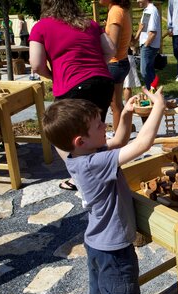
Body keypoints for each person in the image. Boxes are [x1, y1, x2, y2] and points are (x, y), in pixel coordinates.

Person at [41, 87, 166, 294]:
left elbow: (119, 141)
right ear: (81, 141)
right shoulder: (93, 163)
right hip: (114, 250)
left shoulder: (81, 156)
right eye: (99, 125)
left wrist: (125, 114)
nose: (105, 126)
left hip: (97, 244)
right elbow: (143, 144)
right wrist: (159, 107)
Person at [29, 0, 115, 191]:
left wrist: (53, 75)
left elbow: (35, 63)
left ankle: (80, 177)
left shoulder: (41, 27)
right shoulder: (90, 24)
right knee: (94, 130)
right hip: (103, 82)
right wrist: (93, 67)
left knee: (60, 132)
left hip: (72, 85)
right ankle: (102, 170)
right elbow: (111, 50)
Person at [99, 0, 132, 132]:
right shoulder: (120, 10)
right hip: (120, 62)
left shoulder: (115, 12)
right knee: (116, 103)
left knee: (114, 105)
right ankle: (124, 131)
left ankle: (119, 136)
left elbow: (113, 45)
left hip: (114, 63)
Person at [134, 0, 161, 90]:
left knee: (144, 71)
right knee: (148, 70)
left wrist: (146, 45)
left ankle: (151, 92)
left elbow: (153, 32)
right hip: (147, 45)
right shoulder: (147, 11)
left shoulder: (152, 10)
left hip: (149, 45)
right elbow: (144, 29)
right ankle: (154, 92)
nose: (137, 1)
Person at [123, 38, 141, 103]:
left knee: (116, 86)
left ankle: (116, 108)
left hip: (114, 57)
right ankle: (128, 106)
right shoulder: (127, 28)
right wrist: (139, 30)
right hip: (126, 55)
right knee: (127, 85)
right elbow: (132, 43)